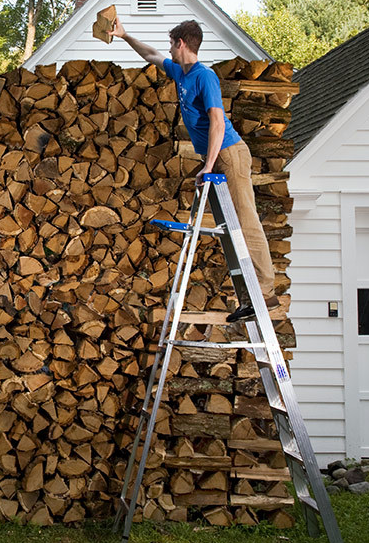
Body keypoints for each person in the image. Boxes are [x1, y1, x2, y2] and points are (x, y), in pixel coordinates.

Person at [108, 16, 278, 322]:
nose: (168, 49)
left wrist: (209, 165)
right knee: (232, 223)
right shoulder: (179, 71)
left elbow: (216, 121)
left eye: (171, 43)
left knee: (245, 219)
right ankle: (248, 297)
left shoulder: (204, 76)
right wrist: (124, 36)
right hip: (216, 155)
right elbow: (150, 55)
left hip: (229, 153)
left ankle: (265, 292)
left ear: (181, 43)